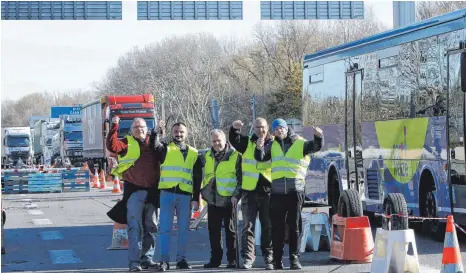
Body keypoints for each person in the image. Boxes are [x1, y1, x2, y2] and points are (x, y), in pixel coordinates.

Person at [255, 118, 323, 270]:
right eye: (276, 128)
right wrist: (259, 148)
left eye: (281, 127)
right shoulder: (272, 145)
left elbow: (315, 146)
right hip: (277, 193)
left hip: (295, 191)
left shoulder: (299, 142)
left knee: (294, 226)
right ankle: (277, 261)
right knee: (277, 228)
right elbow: (260, 158)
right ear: (273, 132)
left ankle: (294, 259)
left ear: (286, 128)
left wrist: (318, 136)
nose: (279, 130)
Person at [107, 116, 160, 272]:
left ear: (147, 128)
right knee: (134, 228)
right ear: (131, 131)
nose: (140, 129)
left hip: (152, 192)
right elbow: (112, 146)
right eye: (136, 127)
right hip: (134, 192)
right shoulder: (126, 143)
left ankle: (147, 259)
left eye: (142, 126)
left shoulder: (153, 142)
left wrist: (160, 132)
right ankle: (134, 262)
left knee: (151, 227)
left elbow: (163, 152)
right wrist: (114, 125)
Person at [152, 121, 202, 271]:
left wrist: (196, 198)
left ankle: (181, 260)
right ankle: (164, 261)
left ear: (186, 134)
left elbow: (197, 177)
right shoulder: (165, 149)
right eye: (176, 132)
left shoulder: (194, 153)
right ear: (171, 133)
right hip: (167, 194)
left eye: (181, 132)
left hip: (185, 196)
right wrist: (156, 132)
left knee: (183, 230)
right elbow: (154, 146)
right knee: (165, 229)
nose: (178, 134)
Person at [229, 118, 274, 270]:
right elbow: (234, 140)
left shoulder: (273, 144)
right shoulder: (247, 142)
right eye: (257, 127)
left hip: (267, 190)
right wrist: (235, 129)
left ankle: (269, 257)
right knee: (248, 227)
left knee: (268, 226)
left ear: (267, 128)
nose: (260, 130)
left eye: (263, 127)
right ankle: (248, 257)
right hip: (249, 192)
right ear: (253, 128)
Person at [199, 129, 242, 269]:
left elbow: (241, 178)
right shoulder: (206, 156)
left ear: (225, 140)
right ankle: (215, 260)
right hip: (212, 200)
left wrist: (236, 195)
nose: (217, 143)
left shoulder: (236, 156)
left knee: (231, 232)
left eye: (219, 140)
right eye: (214, 141)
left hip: (229, 200)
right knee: (214, 232)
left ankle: (232, 260)